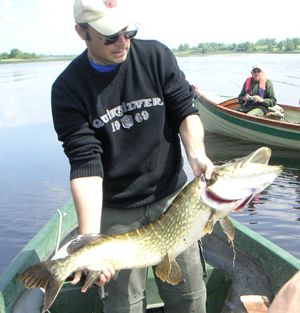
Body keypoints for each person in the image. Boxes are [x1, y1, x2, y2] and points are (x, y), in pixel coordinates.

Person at [51, 0, 214, 312]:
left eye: (128, 31)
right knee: (123, 306)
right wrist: (89, 238)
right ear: (81, 32)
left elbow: (185, 111)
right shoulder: (67, 89)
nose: (123, 42)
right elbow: (86, 164)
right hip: (117, 210)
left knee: (191, 297)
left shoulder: (156, 56)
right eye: (110, 36)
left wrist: (197, 154)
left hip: (172, 200)